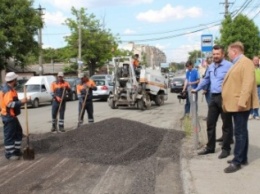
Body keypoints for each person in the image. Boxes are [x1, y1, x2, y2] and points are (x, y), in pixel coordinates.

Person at [222, 41, 258, 173]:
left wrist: (242, 102)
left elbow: (247, 84)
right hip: (235, 104)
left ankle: (237, 162)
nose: (228, 54)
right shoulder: (237, 62)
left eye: (228, 52)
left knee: (240, 133)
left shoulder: (246, 62)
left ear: (234, 51)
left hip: (240, 104)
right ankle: (242, 158)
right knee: (242, 131)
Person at [192, 45, 233, 159]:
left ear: (222, 55)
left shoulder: (229, 66)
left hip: (225, 97)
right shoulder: (210, 67)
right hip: (213, 97)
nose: (215, 56)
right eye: (214, 54)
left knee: (226, 124)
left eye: (217, 54)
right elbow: (205, 80)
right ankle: (210, 147)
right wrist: (197, 89)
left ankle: (226, 149)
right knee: (210, 123)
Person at [1, 72, 28, 160]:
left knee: (18, 132)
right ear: (13, 80)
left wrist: (22, 100)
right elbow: (9, 104)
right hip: (8, 116)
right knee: (9, 135)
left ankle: (16, 151)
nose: (17, 81)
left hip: (12, 116)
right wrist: (21, 102)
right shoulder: (8, 90)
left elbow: (12, 101)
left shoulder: (11, 89)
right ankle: (9, 154)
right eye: (16, 79)